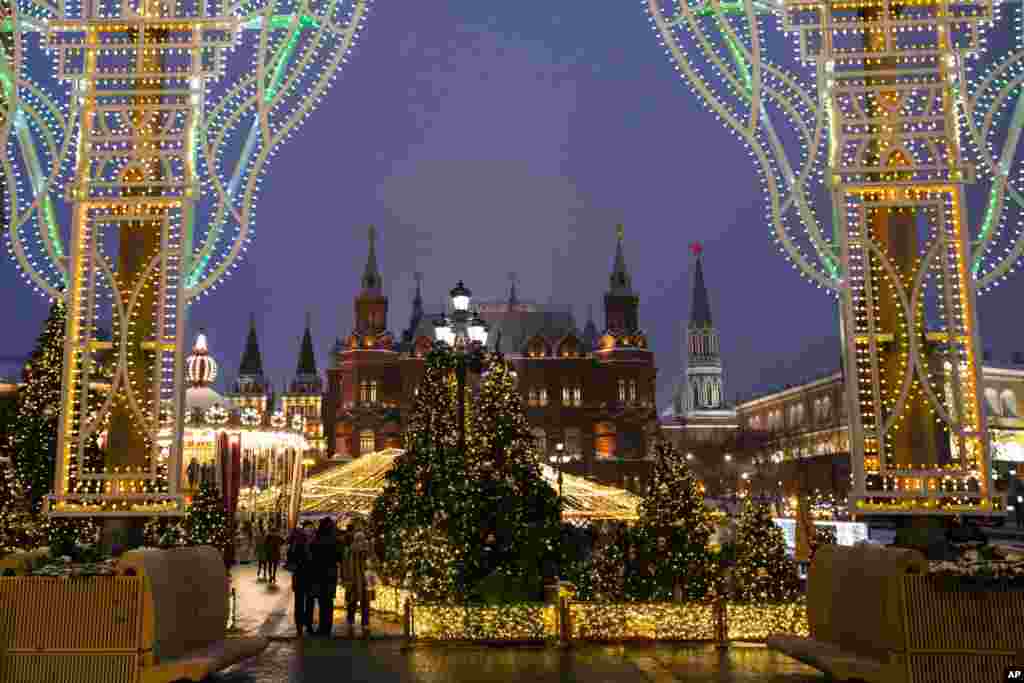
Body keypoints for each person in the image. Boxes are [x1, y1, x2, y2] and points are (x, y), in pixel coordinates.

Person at [309, 517, 343, 637]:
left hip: (318, 573)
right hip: (330, 574)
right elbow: (340, 558)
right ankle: (327, 627)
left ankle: (322, 627)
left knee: (322, 601)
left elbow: (310, 555)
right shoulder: (335, 541)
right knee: (328, 601)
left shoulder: (316, 540)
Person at [342, 518, 372, 638]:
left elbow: (345, 566)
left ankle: (352, 622)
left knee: (354, 602)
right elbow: (373, 565)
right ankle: (362, 623)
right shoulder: (362, 550)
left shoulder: (350, 550)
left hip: (356, 580)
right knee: (361, 603)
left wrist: (345, 579)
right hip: (359, 580)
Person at [288, 520, 315, 635]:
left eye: (311, 529)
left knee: (308, 601)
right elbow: (292, 557)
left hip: (307, 576)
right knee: (301, 602)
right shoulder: (298, 542)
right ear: (304, 529)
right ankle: (301, 625)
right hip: (301, 575)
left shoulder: (313, 542)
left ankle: (307, 624)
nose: (310, 531)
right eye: (308, 528)